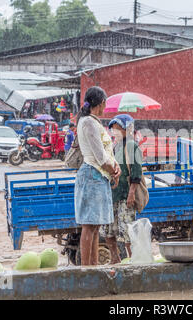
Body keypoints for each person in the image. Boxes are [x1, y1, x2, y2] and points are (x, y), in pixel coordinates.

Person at [75, 86, 121, 266]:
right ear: (101, 103)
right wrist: (114, 171)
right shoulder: (88, 123)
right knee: (89, 225)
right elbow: (100, 158)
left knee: (95, 226)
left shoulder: (92, 122)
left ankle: (92, 267)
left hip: (98, 176)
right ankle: (87, 268)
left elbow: (105, 155)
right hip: (92, 174)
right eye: (105, 104)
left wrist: (114, 167)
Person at [103, 114, 143, 264]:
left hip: (126, 195)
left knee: (128, 231)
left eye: (118, 129)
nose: (115, 132)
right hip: (113, 195)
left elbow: (136, 172)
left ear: (127, 130)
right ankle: (115, 259)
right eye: (113, 129)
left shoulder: (132, 146)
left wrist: (131, 193)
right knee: (108, 230)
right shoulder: (114, 146)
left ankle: (133, 260)